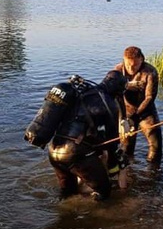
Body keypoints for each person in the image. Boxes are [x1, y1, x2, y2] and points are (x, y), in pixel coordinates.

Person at [24, 71, 129, 201]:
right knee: (104, 191)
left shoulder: (83, 92)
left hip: (54, 150)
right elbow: (112, 141)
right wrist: (116, 165)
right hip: (75, 153)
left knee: (68, 193)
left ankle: (62, 212)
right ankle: (98, 213)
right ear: (118, 89)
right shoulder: (109, 104)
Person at [114, 46, 162, 165]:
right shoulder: (117, 71)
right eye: (128, 65)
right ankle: (128, 171)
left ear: (142, 60)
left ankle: (153, 170)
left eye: (135, 65)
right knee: (126, 148)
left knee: (155, 146)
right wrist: (122, 119)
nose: (131, 68)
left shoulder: (150, 72)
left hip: (146, 111)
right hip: (125, 113)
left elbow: (149, 97)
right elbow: (115, 96)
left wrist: (136, 116)